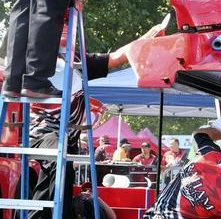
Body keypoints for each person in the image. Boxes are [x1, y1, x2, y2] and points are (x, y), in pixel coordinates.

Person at [19, 23, 165, 219]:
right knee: (59, 160)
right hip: (43, 132)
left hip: (67, 137)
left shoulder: (77, 60)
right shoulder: (35, 60)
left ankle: (44, 215)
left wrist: (148, 36)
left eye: (65, 25)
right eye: (59, 24)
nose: (63, 29)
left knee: (62, 178)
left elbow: (116, 57)